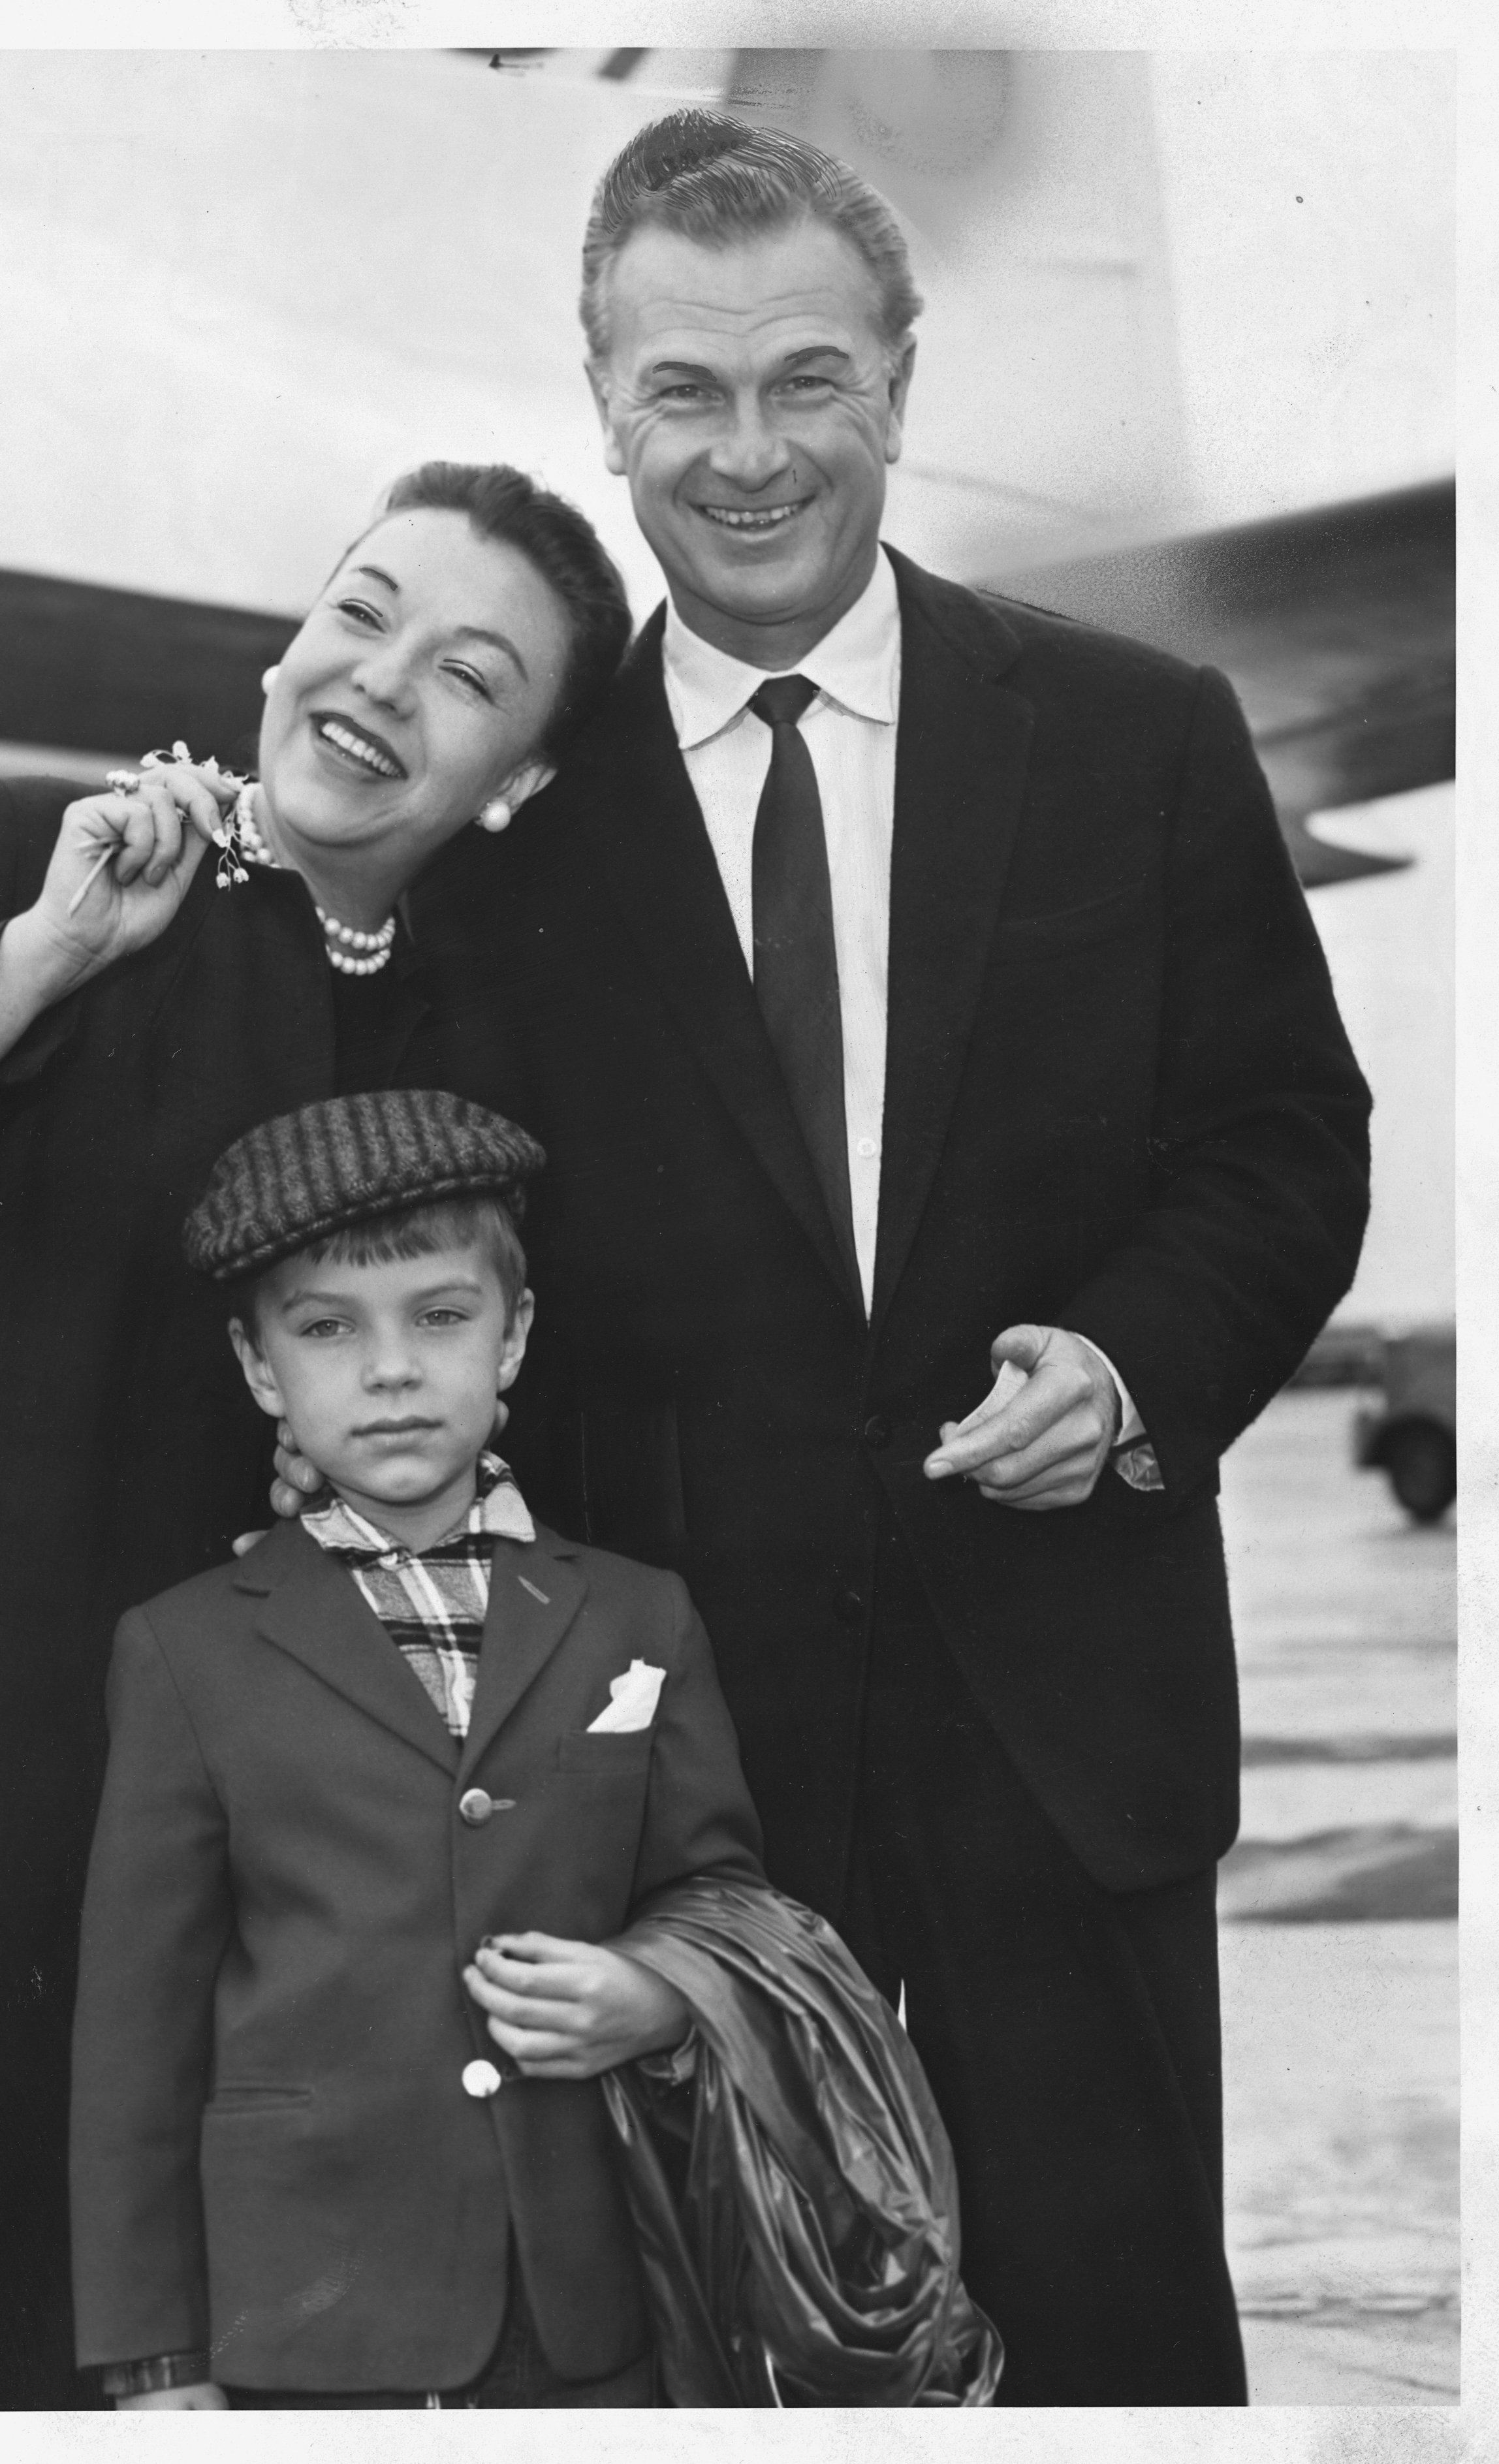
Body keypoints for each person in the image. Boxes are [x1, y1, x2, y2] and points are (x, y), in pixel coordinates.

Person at [392, 113, 1374, 2404]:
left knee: (1122, 2349)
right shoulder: (517, 835)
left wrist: (1133, 1366)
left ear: (903, 387)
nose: (748, 457)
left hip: (1066, 1718)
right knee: (726, 2366)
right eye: (685, 395)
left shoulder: (1140, 739)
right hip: (689, 1756)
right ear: (606, 400)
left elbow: (1279, 1144)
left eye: (806, 381)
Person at [0, 466, 631, 2409]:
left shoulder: (465, 1044)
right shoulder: (32, 849)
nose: (384, 681)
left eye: (469, 676)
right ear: (287, 634)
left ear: (513, 786)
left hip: (181, 1818)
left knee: (94, 2322)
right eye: (363, 611)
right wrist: (54, 947)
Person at [69, 1087, 765, 2409]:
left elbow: (718, 1892)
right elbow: (133, 2041)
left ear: (512, 1341)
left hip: (587, 2308)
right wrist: (155, 2364)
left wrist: (657, 1990)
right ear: (261, 1369)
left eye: (440, 1317)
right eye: (326, 1330)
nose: (389, 1369)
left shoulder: (635, 1612)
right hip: (307, 2323)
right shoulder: (184, 1647)